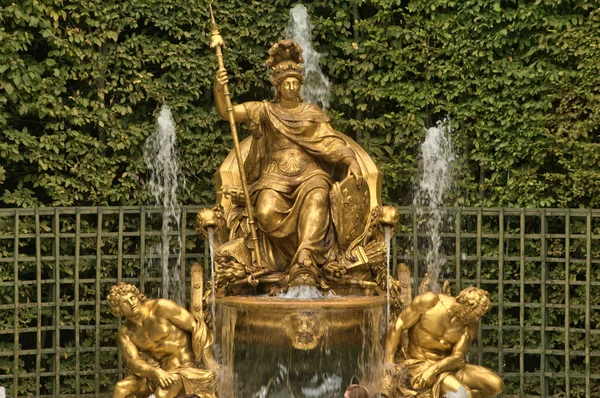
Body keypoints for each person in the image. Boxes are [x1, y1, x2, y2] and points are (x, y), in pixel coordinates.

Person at [213, 39, 362, 286]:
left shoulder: (311, 113)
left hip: (310, 174)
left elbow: (329, 141)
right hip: (275, 176)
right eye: (286, 83)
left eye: (295, 82)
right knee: (265, 212)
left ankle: (305, 257)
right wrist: (219, 89)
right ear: (278, 87)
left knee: (318, 196)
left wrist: (351, 160)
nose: (291, 87)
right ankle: (290, 258)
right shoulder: (264, 110)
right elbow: (228, 112)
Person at [383, 287, 504, 398]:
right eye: (476, 314)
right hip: (419, 365)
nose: (477, 319)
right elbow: (398, 326)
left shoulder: (471, 325)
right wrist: (389, 364)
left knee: (496, 384)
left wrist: (433, 370)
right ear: (467, 305)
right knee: (464, 394)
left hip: (447, 367)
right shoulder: (431, 302)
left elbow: (458, 357)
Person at [108, 283, 217, 398]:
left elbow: (197, 327)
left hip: (187, 367)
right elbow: (134, 362)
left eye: (132, 298)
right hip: (160, 372)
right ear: (118, 310)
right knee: (121, 388)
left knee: (162, 394)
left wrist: (209, 360)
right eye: (125, 302)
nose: (131, 303)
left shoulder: (161, 307)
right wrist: (155, 372)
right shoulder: (126, 333)